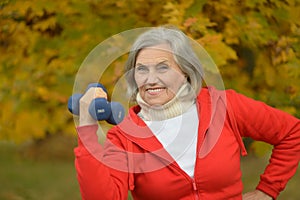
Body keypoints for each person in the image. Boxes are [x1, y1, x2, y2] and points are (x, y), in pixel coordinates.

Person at [74, 26, 300, 200]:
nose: (151, 79)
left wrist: (268, 189)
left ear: (185, 71)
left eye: (163, 67)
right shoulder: (125, 137)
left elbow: (292, 132)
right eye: (142, 69)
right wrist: (87, 130)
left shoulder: (224, 106)